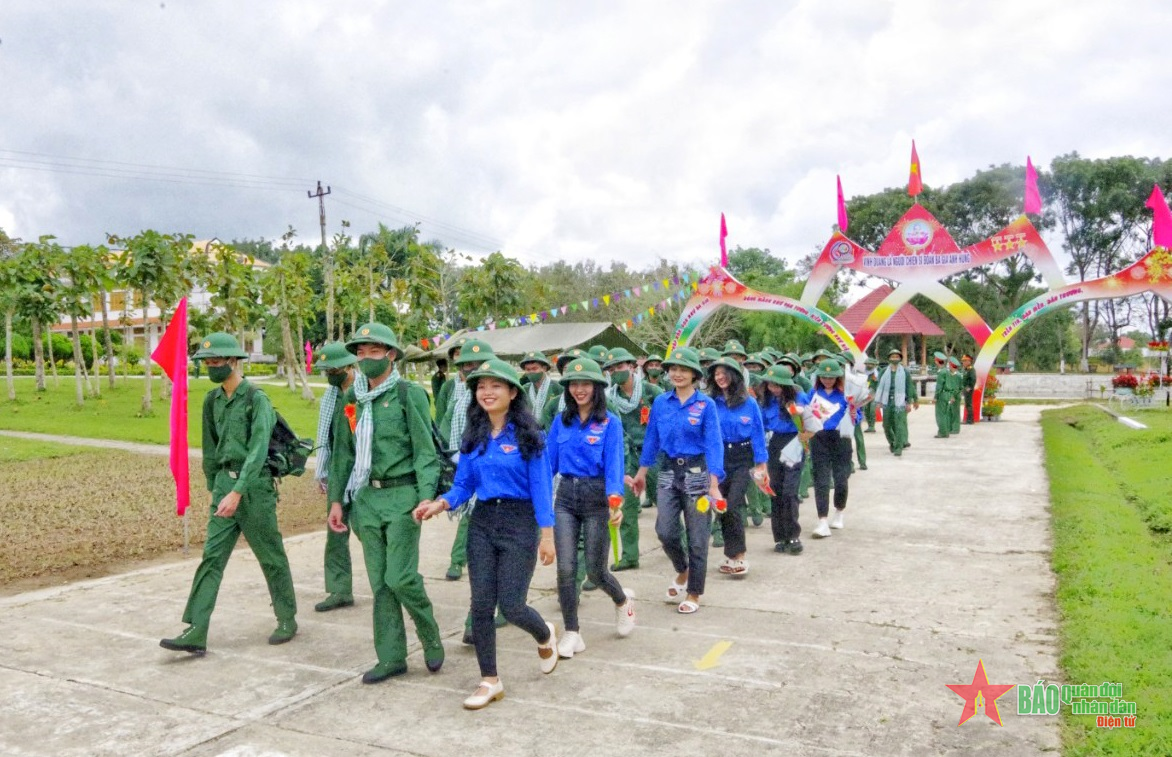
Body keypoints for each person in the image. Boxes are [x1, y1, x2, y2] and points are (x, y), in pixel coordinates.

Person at [414, 358, 559, 710]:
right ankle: (489, 680)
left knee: (512, 606)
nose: (487, 392)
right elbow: (463, 485)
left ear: (513, 393)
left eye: (495, 386)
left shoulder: (530, 437)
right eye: (481, 386)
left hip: (519, 522)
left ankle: (544, 634)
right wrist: (441, 503)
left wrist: (547, 535)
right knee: (480, 605)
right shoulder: (474, 436)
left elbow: (541, 488)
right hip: (482, 522)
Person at [160, 332, 297, 654]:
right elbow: (210, 448)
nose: (211, 367)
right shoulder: (212, 400)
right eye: (206, 362)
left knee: (271, 556)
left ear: (233, 361)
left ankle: (287, 617)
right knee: (212, 557)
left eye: (216, 361)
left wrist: (238, 491)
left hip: (254, 488)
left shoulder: (256, 399)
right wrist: (215, 487)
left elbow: (258, 450)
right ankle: (196, 629)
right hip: (224, 487)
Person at [327, 323, 444, 683]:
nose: (366, 358)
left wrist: (426, 496)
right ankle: (391, 657)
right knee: (380, 583)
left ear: (391, 354)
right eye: (360, 353)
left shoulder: (409, 394)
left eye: (374, 351)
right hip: (366, 499)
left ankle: (429, 633)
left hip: (403, 497)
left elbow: (425, 451)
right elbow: (343, 454)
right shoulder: (352, 398)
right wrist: (336, 500)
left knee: (400, 577)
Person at [547, 357, 636, 659]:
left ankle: (622, 601)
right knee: (566, 568)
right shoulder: (561, 421)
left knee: (596, 571)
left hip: (597, 498)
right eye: (574, 384)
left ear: (597, 387)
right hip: (566, 499)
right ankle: (572, 632)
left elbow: (614, 466)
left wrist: (615, 502)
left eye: (585, 384)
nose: (579, 389)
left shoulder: (610, 422)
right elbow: (547, 464)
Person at [631, 346, 724, 614]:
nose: (677, 374)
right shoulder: (661, 402)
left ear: (695, 374)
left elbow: (714, 444)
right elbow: (652, 438)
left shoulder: (706, 405)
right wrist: (642, 472)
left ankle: (694, 592)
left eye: (683, 369)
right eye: (673, 369)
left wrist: (714, 483)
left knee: (697, 536)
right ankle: (683, 569)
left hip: (698, 474)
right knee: (665, 530)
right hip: (668, 471)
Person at [438, 338, 496, 581]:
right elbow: (444, 427)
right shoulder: (456, 399)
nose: (472, 369)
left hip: (496, 470)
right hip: (464, 463)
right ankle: (459, 559)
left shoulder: (503, 399)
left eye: (478, 364)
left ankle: (459, 559)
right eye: (466, 364)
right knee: (469, 512)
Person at [603, 347, 662, 571]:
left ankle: (680, 545)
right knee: (626, 507)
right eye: (611, 369)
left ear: (631, 366)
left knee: (665, 504)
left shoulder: (651, 391)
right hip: (626, 457)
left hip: (653, 456)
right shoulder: (609, 398)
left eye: (620, 366)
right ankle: (630, 556)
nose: (616, 372)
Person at [707, 357, 767, 575]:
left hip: (742, 458)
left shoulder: (749, 403)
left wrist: (762, 465)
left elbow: (758, 434)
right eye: (716, 374)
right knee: (721, 506)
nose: (720, 377)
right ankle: (730, 556)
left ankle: (739, 556)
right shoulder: (710, 403)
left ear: (735, 376)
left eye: (724, 373)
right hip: (719, 457)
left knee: (732, 505)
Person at [313, 341, 359, 613]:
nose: (330, 375)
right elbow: (324, 437)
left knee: (368, 530)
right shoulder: (330, 396)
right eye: (327, 371)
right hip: (337, 472)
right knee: (336, 531)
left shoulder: (358, 394)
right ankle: (339, 589)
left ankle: (390, 587)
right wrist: (322, 472)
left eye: (334, 370)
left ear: (349, 366)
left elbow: (356, 437)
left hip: (361, 473)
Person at [759, 365, 817, 554]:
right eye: (770, 385)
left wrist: (806, 433)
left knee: (790, 491)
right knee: (775, 489)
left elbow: (812, 420)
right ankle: (780, 537)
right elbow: (761, 423)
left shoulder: (799, 397)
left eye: (777, 385)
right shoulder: (766, 400)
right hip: (774, 442)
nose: (773, 389)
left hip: (794, 442)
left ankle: (793, 535)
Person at [808, 360, 856, 538]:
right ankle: (822, 520)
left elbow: (856, 415)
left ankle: (839, 510)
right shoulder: (813, 393)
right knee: (821, 479)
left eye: (831, 377)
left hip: (840, 438)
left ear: (838, 378)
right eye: (824, 377)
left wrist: (854, 414)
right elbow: (805, 411)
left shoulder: (846, 394)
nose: (827, 380)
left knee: (841, 479)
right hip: (819, 438)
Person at [874, 348, 919, 456]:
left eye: (897, 357)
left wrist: (911, 401)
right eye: (892, 356)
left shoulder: (905, 372)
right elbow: (879, 386)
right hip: (887, 401)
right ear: (889, 358)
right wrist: (878, 401)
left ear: (900, 358)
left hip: (900, 402)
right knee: (886, 425)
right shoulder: (884, 371)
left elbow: (909, 386)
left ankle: (898, 447)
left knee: (899, 425)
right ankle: (892, 442)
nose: (894, 358)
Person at [519, 350, 563, 429]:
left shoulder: (557, 387)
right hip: (530, 431)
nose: (531, 372)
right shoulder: (524, 389)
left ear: (544, 368)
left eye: (534, 368)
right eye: (528, 369)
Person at [933, 353, 957, 439]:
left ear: (937, 361)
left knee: (940, 414)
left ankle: (942, 432)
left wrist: (935, 397)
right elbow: (952, 384)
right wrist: (952, 395)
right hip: (948, 395)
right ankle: (946, 431)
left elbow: (939, 386)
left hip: (942, 395)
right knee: (946, 414)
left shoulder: (941, 373)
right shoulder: (947, 371)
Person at [947, 357, 964, 434]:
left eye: (950, 365)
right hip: (949, 396)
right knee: (949, 412)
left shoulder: (958, 375)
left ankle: (956, 428)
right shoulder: (949, 374)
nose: (949, 367)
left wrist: (953, 396)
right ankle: (950, 427)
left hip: (955, 397)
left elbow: (958, 388)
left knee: (955, 413)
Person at [863, 357, 879, 432]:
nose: (868, 365)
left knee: (872, 410)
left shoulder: (877, 373)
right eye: (867, 364)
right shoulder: (864, 373)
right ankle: (869, 425)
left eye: (870, 364)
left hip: (874, 393)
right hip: (866, 393)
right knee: (866, 410)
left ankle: (872, 426)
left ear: (874, 365)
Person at [961, 354, 977, 424]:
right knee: (967, 404)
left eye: (965, 361)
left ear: (969, 361)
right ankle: (969, 419)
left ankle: (970, 420)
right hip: (966, 388)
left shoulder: (971, 369)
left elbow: (973, 379)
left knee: (968, 404)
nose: (963, 362)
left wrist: (969, 387)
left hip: (968, 389)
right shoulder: (966, 369)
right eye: (963, 361)